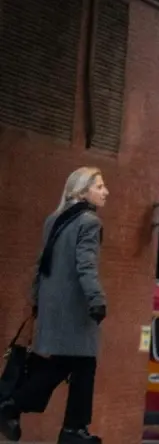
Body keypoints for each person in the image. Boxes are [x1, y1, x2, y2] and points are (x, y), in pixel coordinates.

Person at [0, 168, 110, 444]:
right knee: (85, 364)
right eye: (99, 186)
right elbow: (86, 265)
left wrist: (36, 300)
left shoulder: (54, 220)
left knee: (59, 366)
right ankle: (73, 430)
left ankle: (11, 407)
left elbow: (41, 265)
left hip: (52, 311)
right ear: (82, 192)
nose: (105, 191)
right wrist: (97, 300)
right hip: (75, 311)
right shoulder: (89, 222)